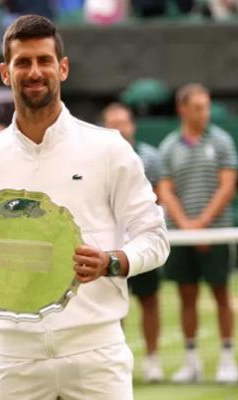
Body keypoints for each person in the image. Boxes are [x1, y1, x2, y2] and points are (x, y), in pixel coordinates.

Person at [0, 15, 169, 399]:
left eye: (44, 60)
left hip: (96, 353)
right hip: (14, 357)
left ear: (62, 68)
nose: (34, 71)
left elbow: (155, 238)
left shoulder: (109, 148)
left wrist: (111, 262)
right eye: (23, 62)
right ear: (5, 72)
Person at [158, 83, 238, 384]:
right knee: (186, 296)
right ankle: (191, 362)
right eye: (198, 107)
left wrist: (202, 223)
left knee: (221, 294)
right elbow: (165, 189)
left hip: (216, 235)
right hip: (183, 236)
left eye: (206, 106)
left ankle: (228, 360)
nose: (203, 112)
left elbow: (227, 185)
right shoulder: (168, 146)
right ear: (183, 109)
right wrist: (188, 226)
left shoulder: (221, 141)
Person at [102, 102, 164, 382]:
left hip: (141, 243)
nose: (119, 128)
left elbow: (159, 196)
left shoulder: (149, 157)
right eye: (112, 123)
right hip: (109, 247)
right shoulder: (97, 159)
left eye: (123, 122)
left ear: (132, 125)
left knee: (149, 300)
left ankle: (152, 361)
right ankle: (118, 362)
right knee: (112, 303)